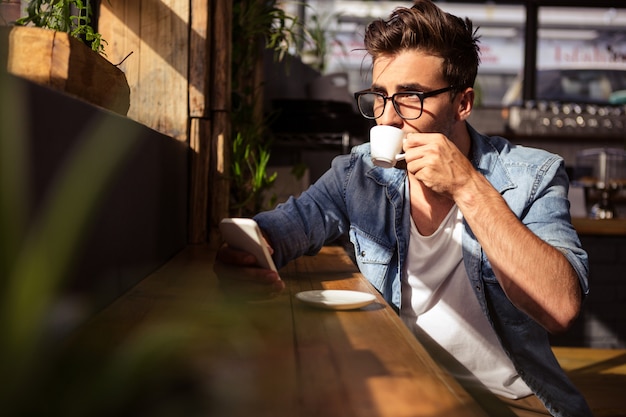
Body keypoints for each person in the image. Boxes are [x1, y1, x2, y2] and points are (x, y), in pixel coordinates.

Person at [216, 1, 592, 416]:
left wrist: (468, 186)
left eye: (410, 97)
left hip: (512, 401)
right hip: (399, 390)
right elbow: (289, 227)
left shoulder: (534, 174)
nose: (388, 119)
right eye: (380, 97)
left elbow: (561, 308)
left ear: (462, 103)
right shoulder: (357, 172)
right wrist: (249, 255)